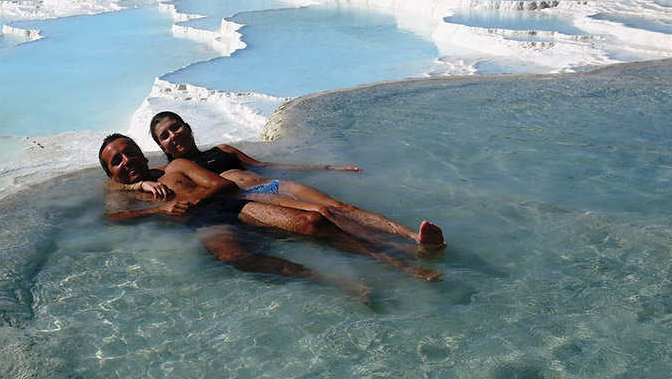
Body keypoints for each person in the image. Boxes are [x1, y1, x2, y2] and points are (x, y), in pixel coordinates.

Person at [98, 134, 441, 293]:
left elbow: (223, 185)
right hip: (206, 224)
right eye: (117, 161)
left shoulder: (176, 167)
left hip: (230, 206)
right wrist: (158, 206)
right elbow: (113, 219)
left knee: (316, 220)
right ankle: (333, 281)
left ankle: (404, 265)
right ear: (110, 174)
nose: (127, 161)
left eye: (130, 153)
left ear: (143, 153)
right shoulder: (118, 193)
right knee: (234, 257)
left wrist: (192, 202)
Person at [148, 111, 445, 255]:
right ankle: (397, 249)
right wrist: (139, 186)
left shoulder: (222, 149)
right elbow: (136, 180)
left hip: (274, 184)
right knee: (324, 214)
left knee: (341, 206)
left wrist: (328, 167)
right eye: (165, 136)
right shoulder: (171, 170)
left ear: (187, 127)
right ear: (162, 146)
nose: (174, 135)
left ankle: (413, 236)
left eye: (176, 127)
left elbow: (265, 165)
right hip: (250, 198)